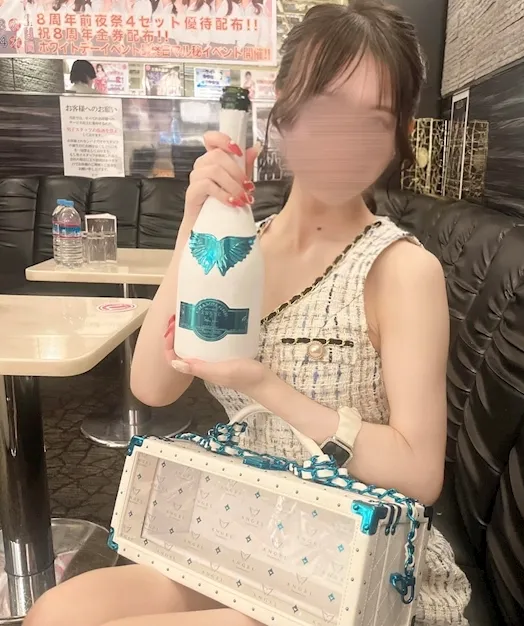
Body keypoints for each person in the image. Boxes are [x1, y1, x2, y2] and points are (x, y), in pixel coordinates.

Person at [25, 2, 471, 626]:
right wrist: (193, 219)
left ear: (398, 132)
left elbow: (419, 474)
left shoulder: (399, 269)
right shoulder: (239, 245)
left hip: (357, 560)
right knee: (57, 612)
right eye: (325, 110)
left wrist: (265, 386)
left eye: (373, 120)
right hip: (251, 532)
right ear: (283, 111)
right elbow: (152, 384)